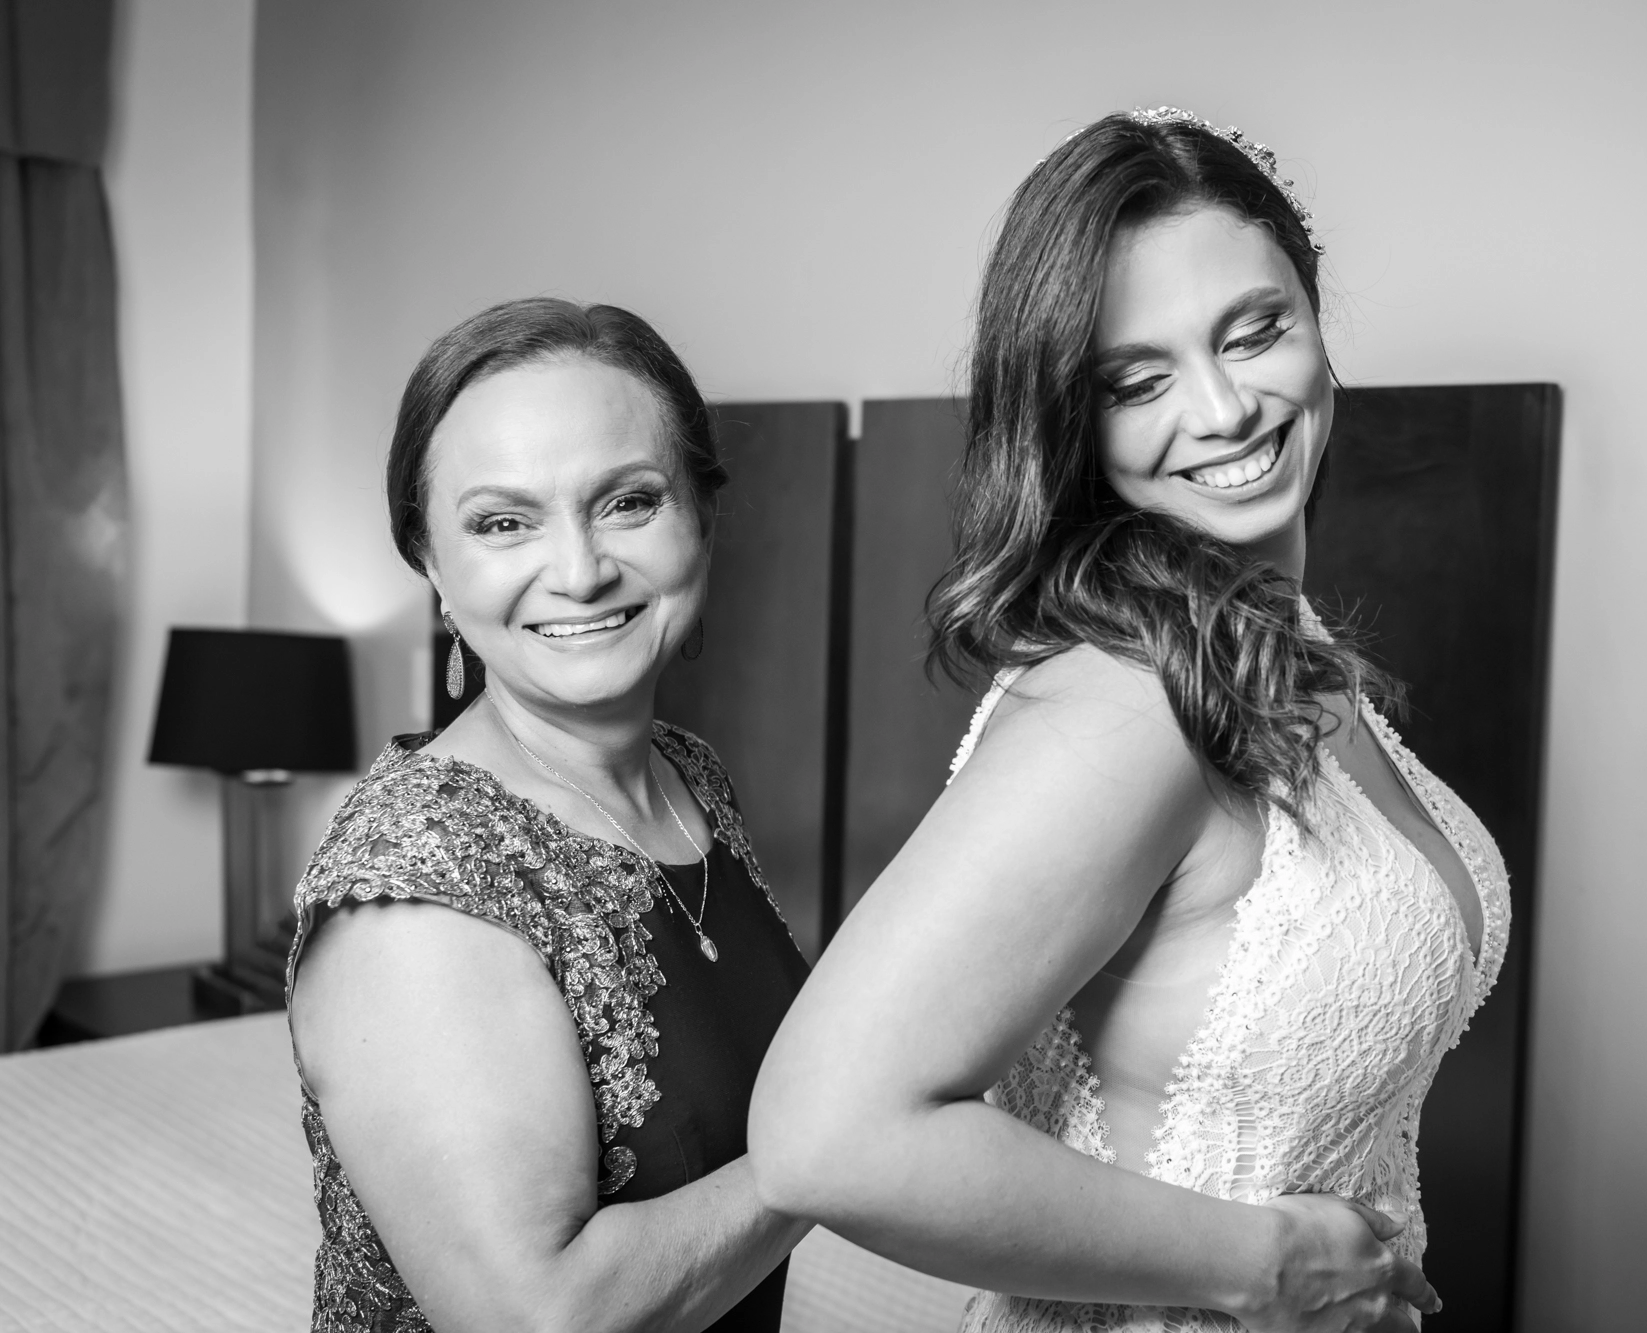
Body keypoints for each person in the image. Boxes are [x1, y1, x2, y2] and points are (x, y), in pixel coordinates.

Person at [748, 109, 1510, 1333]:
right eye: (1136, 380)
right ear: (1070, 421)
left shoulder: (1283, 647)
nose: (1221, 411)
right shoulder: (1127, 698)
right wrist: (1270, 1267)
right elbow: (820, 1133)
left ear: (1315, 323)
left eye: (1253, 331)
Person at [287, 298, 810, 1333]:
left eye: (627, 501)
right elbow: (540, 1319)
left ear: (700, 516)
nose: (577, 570)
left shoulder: (687, 774)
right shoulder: (417, 890)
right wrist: (835, 1150)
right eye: (501, 522)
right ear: (432, 567)